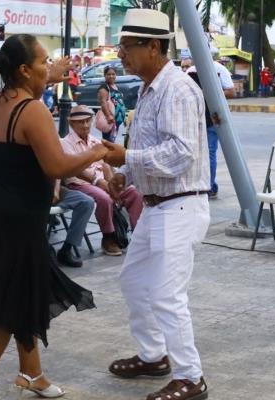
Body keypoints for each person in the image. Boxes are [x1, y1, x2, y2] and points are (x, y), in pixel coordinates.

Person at [0, 34, 108, 400]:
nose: (49, 68)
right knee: (7, 305)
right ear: (24, 70)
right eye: (43, 63)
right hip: (18, 219)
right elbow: (56, 164)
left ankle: (31, 373)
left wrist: (48, 77)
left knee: (23, 291)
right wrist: (97, 151)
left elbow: (24, 116)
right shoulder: (33, 110)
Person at [101, 9, 211, 400]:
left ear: (153, 46)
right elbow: (149, 149)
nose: (121, 55)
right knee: (133, 281)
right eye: (121, 47)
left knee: (166, 294)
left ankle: (190, 376)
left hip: (180, 205)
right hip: (157, 206)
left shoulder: (176, 89)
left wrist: (126, 159)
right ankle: (153, 355)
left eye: (127, 46)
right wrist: (125, 175)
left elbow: (181, 153)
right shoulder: (149, 90)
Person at [0, 131, 94, 269]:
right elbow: (51, 163)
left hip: (24, 190)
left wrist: (56, 188)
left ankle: (66, 249)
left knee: (85, 202)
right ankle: (41, 251)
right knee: (22, 211)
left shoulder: (19, 132)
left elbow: (56, 162)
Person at [61, 105, 142, 256]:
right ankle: (108, 237)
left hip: (101, 181)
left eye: (87, 121)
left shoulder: (95, 141)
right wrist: (101, 182)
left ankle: (139, 236)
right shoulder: (65, 143)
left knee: (134, 193)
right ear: (71, 124)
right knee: (104, 198)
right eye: (80, 122)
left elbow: (106, 164)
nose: (85, 125)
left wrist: (113, 184)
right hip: (79, 183)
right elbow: (77, 171)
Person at [184, 56, 233, 198]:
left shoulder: (218, 69)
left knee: (209, 153)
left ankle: (209, 186)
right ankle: (207, 184)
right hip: (196, 118)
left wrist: (210, 94)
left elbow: (231, 91)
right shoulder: (191, 72)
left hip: (213, 118)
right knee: (199, 154)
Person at [97, 66, 128, 143]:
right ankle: (106, 154)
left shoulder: (115, 86)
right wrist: (109, 116)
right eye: (108, 74)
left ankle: (108, 154)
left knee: (112, 140)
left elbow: (120, 102)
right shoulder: (104, 88)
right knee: (108, 141)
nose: (111, 76)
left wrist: (124, 118)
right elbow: (103, 103)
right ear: (105, 75)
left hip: (117, 120)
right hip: (110, 120)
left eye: (113, 74)